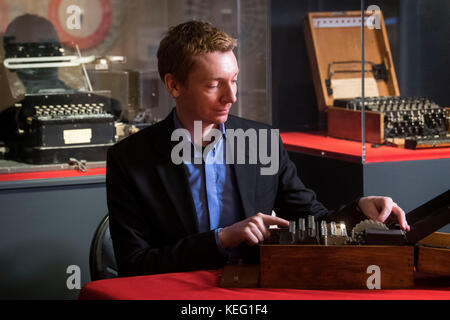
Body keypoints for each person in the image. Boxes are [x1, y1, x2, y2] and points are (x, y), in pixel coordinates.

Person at [106, 20, 410, 277]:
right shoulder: (130, 160)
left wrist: (360, 209)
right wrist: (222, 239)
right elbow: (135, 265)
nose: (231, 97)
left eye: (234, 81)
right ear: (174, 86)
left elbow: (313, 220)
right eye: (214, 85)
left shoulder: (262, 141)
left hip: (255, 290)